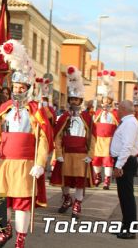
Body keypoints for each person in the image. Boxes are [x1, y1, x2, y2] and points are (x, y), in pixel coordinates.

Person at [0, 40, 52, 248]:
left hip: (25, 163)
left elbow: (42, 138)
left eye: (21, 87)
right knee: (3, 200)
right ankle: (6, 231)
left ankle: (20, 240)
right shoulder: (4, 108)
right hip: (5, 162)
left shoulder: (35, 110)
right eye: (14, 86)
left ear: (27, 88)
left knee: (22, 203)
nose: (17, 90)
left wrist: (40, 163)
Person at [50, 66, 94, 218]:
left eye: (76, 99)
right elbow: (58, 137)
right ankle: (67, 198)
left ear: (81, 100)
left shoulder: (87, 118)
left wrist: (91, 154)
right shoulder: (63, 117)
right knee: (65, 180)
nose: (74, 101)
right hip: (66, 153)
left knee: (80, 181)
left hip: (81, 154)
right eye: (72, 99)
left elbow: (92, 137)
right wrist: (58, 153)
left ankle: (78, 203)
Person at [110, 100, 138, 239]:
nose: (117, 111)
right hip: (124, 161)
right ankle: (125, 226)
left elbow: (127, 146)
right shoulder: (128, 122)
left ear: (123, 109)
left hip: (125, 162)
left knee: (127, 197)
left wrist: (119, 165)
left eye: (118, 108)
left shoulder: (129, 123)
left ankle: (130, 229)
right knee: (123, 196)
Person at [92, 70, 119, 189]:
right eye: (104, 100)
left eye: (108, 100)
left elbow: (117, 125)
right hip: (98, 139)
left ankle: (107, 180)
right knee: (96, 159)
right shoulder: (98, 112)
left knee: (108, 160)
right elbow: (93, 124)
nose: (106, 102)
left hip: (109, 140)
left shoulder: (114, 113)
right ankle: (98, 176)